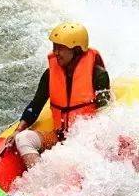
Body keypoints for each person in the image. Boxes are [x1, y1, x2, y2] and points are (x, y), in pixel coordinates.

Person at [6, 22, 110, 168]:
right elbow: (35, 106)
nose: (55, 52)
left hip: (86, 140)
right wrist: (18, 130)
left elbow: (105, 113)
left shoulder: (98, 75)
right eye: (54, 47)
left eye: (60, 48)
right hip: (59, 136)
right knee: (23, 139)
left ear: (76, 49)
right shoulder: (50, 74)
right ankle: (40, 177)